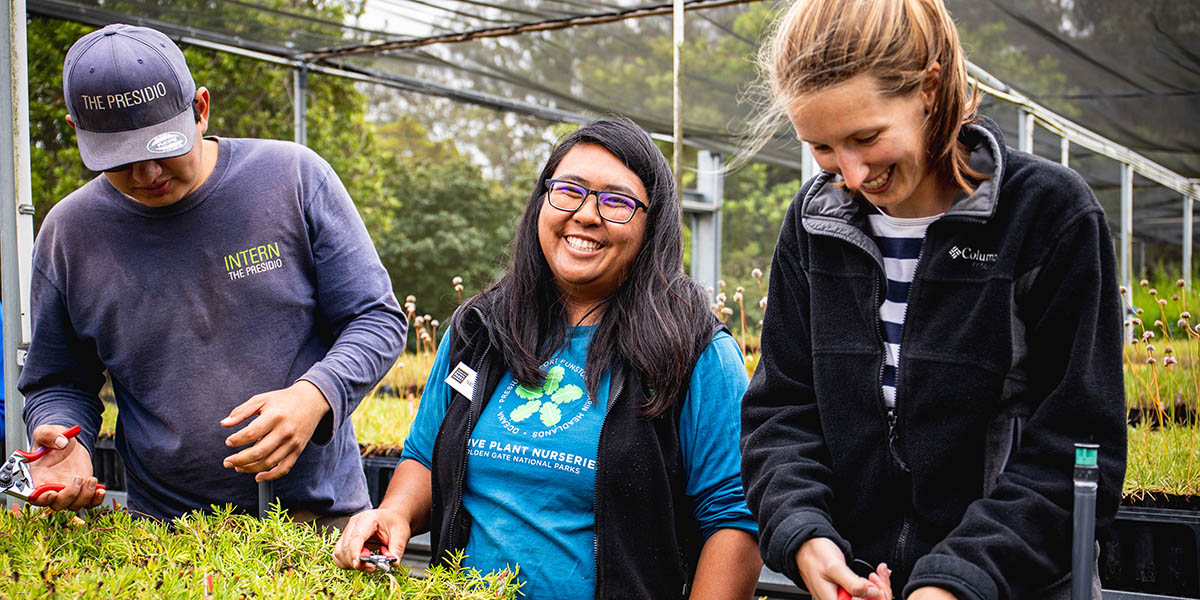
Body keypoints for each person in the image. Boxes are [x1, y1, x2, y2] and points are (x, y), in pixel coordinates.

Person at [739, 1, 1127, 599]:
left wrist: (955, 582)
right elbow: (782, 412)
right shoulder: (814, 225)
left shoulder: (1047, 216)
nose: (850, 173)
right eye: (820, 147)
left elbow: (1077, 450)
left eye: (866, 137)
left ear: (930, 86)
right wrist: (806, 536)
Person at [333, 118, 762, 598]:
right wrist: (393, 513)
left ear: (653, 224)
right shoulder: (480, 330)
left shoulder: (695, 352)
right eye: (569, 191)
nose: (586, 214)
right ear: (542, 201)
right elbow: (424, 457)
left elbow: (732, 519)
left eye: (616, 202)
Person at [18, 24, 406, 524]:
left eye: (163, 148)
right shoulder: (70, 234)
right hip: (167, 536)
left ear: (200, 108)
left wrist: (316, 395)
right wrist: (61, 431)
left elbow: (375, 318)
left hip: (322, 522)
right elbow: (60, 379)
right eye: (122, 161)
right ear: (78, 132)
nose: (148, 175)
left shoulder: (291, 179)